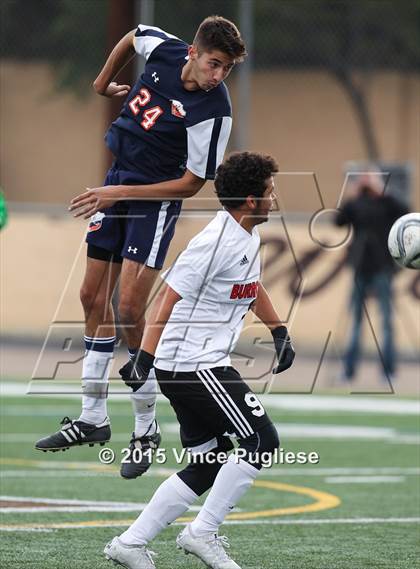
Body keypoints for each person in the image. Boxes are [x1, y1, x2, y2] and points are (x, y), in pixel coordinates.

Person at [35, 16, 247, 480]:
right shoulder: (167, 50)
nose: (218, 76)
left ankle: (146, 429)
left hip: (152, 202)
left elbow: (192, 184)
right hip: (117, 181)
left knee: (130, 308)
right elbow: (135, 35)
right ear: (193, 52)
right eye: (214, 63)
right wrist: (101, 82)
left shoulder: (215, 111)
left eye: (226, 69)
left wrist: (119, 196)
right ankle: (93, 418)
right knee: (91, 298)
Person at [104, 151, 295, 569]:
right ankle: (202, 533)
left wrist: (278, 330)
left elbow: (250, 284)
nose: (274, 198)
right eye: (269, 192)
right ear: (249, 200)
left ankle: (130, 544)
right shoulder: (213, 243)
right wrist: (144, 359)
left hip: (190, 363)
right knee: (262, 440)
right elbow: (166, 300)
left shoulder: (246, 234)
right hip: (192, 364)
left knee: (208, 461)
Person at [335, 172, 408, 382]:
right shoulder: (356, 204)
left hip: (382, 267)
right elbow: (338, 220)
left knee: (386, 322)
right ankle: (349, 370)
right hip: (360, 268)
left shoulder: (387, 203)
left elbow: (405, 211)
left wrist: (382, 190)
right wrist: (352, 194)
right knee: (356, 322)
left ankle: (388, 370)